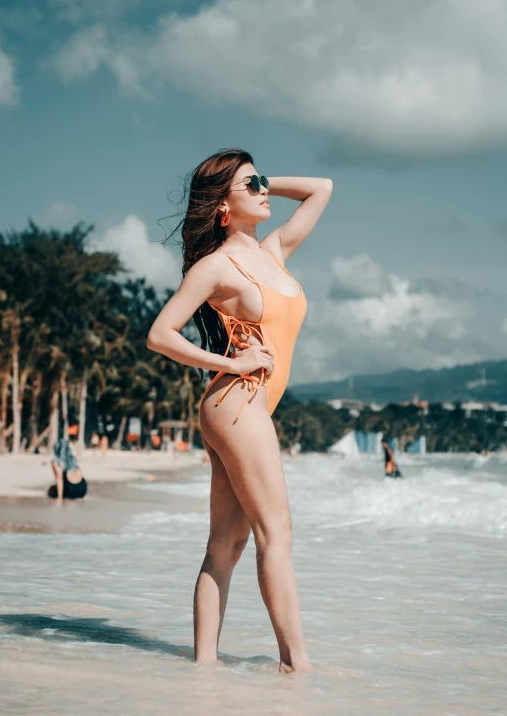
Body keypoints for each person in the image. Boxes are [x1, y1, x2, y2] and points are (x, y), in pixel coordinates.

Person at [147, 148, 332, 673]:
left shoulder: (272, 253)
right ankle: (296, 666)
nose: (264, 191)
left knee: (225, 544)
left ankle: (203, 668)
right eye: (251, 186)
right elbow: (160, 334)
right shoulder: (215, 266)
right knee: (277, 532)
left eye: (263, 183)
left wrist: (257, 177)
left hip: (247, 407)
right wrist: (231, 360)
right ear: (223, 207)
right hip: (235, 402)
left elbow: (322, 187)